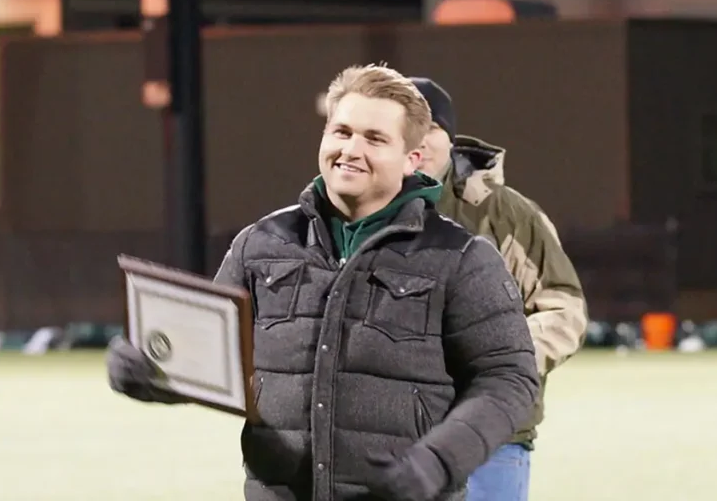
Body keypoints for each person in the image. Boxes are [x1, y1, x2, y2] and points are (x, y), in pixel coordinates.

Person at [107, 64, 540, 501]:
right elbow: (211, 362)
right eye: (341, 132)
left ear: (412, 159)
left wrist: (439, 460)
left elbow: (509, 378)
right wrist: (150, 371)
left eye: (374, 139)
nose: (351, 149)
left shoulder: (461, 257)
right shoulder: (261, 244)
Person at [410, 77, 589, 501]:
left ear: (450, 137)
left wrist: (496, 358)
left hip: (490, 438)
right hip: (390, 436)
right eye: (408, 128)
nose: (419, 140)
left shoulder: (505, 213)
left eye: (430, 127)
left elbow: (564, 310)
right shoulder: (358, 214)